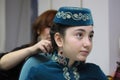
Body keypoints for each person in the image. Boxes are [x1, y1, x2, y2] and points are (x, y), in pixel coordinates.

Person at [25, 6, 108, 80]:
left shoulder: (95, 72)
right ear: (59, 40)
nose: (88, 43)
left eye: (90, 36)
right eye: (79, 35)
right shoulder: (39, 74)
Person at [0, 9, 57, 80]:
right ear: (38, 30)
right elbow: (2, 64)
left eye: (56, 28)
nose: (52, 32)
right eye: (49, 27)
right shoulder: (28, 50)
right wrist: (32, 49)